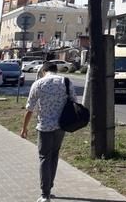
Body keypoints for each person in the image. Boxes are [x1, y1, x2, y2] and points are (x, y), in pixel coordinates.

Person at [20, 61, 76, 202]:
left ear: (43, 71)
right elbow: (74, 102)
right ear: (56, 70)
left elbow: (29, 109)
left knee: (44, 157)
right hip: (61, 126)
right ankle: (49, 187)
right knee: (54, 155)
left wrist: (24, 128)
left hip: (44, 127)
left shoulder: (38, 84)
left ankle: (45, 195)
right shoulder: (66, 82)